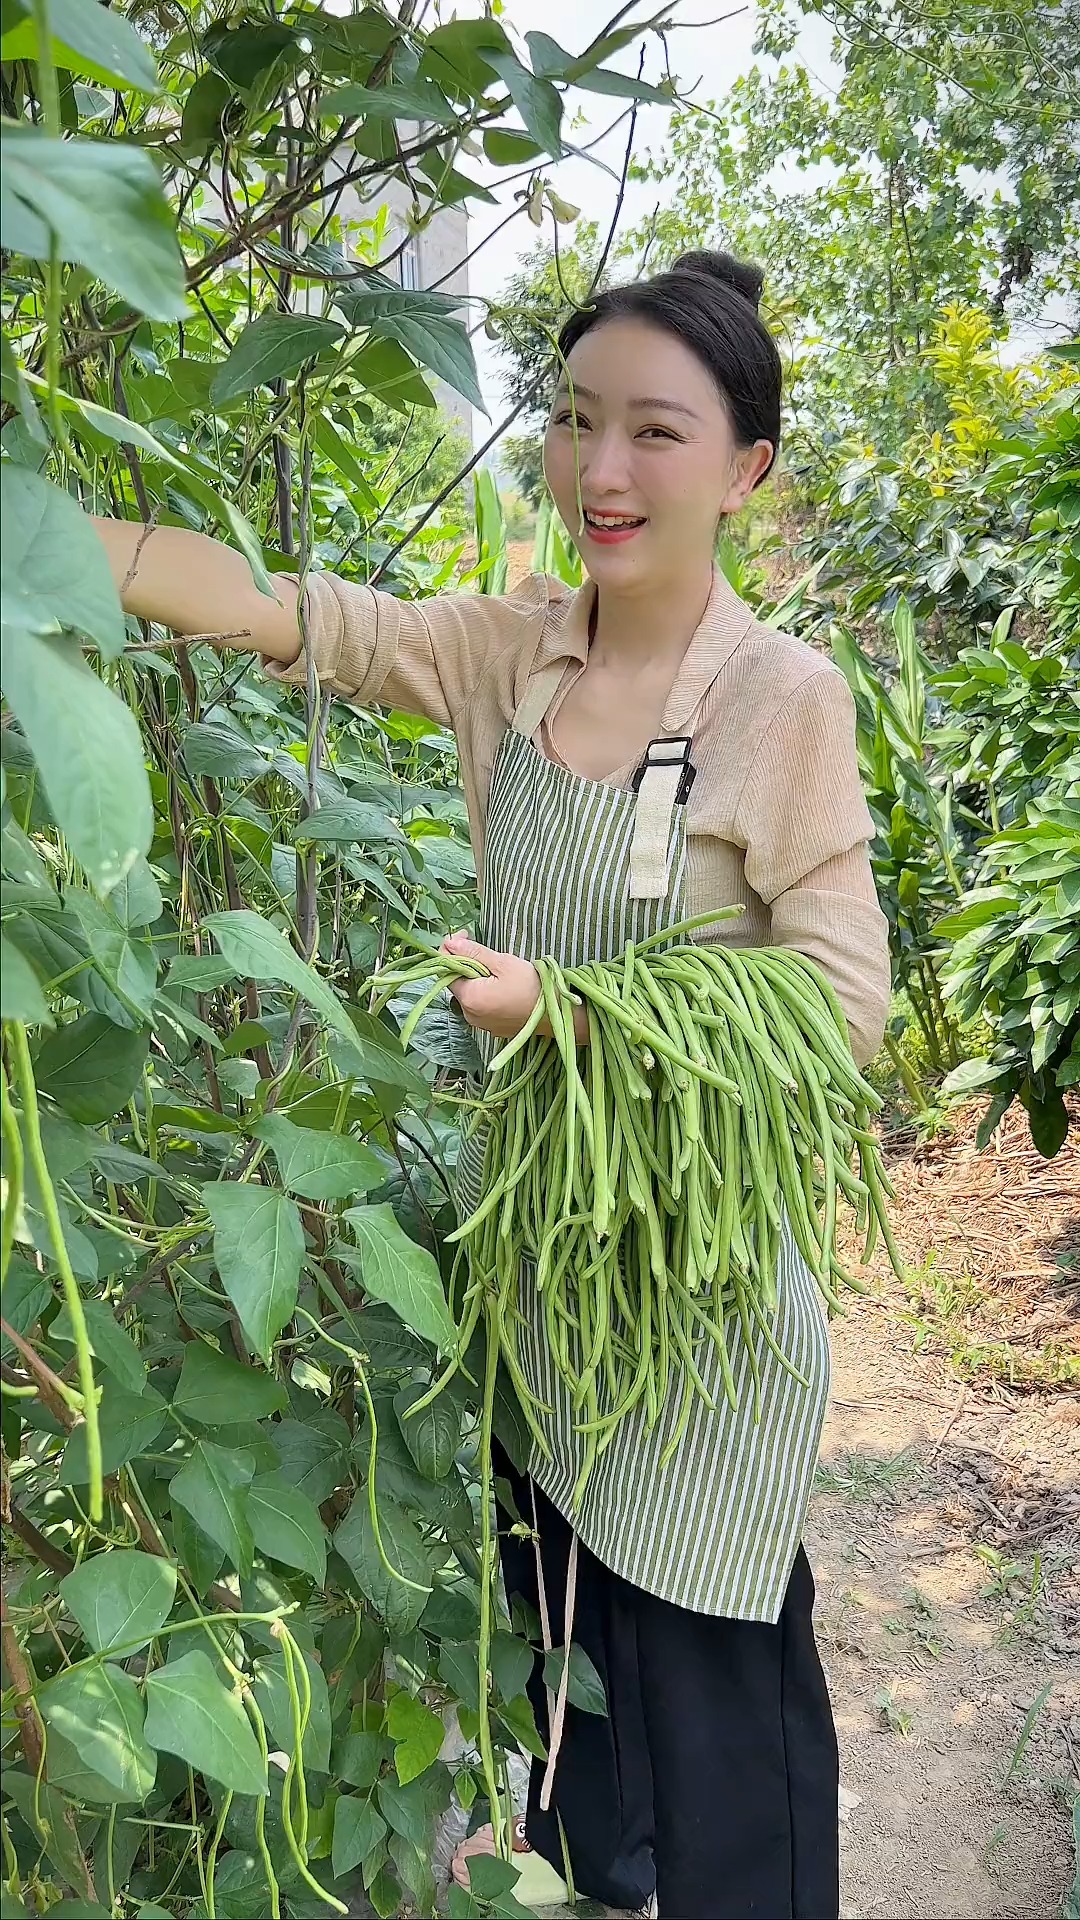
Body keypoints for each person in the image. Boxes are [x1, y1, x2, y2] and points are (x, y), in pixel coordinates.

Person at [96, 249, 890, 1920]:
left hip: (703, 1306)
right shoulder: (502, 655)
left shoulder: (779, 700)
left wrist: (571, 1014)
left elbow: (838, 1011)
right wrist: (53, 543)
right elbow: (278, 609)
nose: (603, 472)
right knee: (583, 1708)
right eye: (578, 420)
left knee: (722, 1719)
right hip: (542, 1280)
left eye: (657, 434)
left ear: (746, 469)